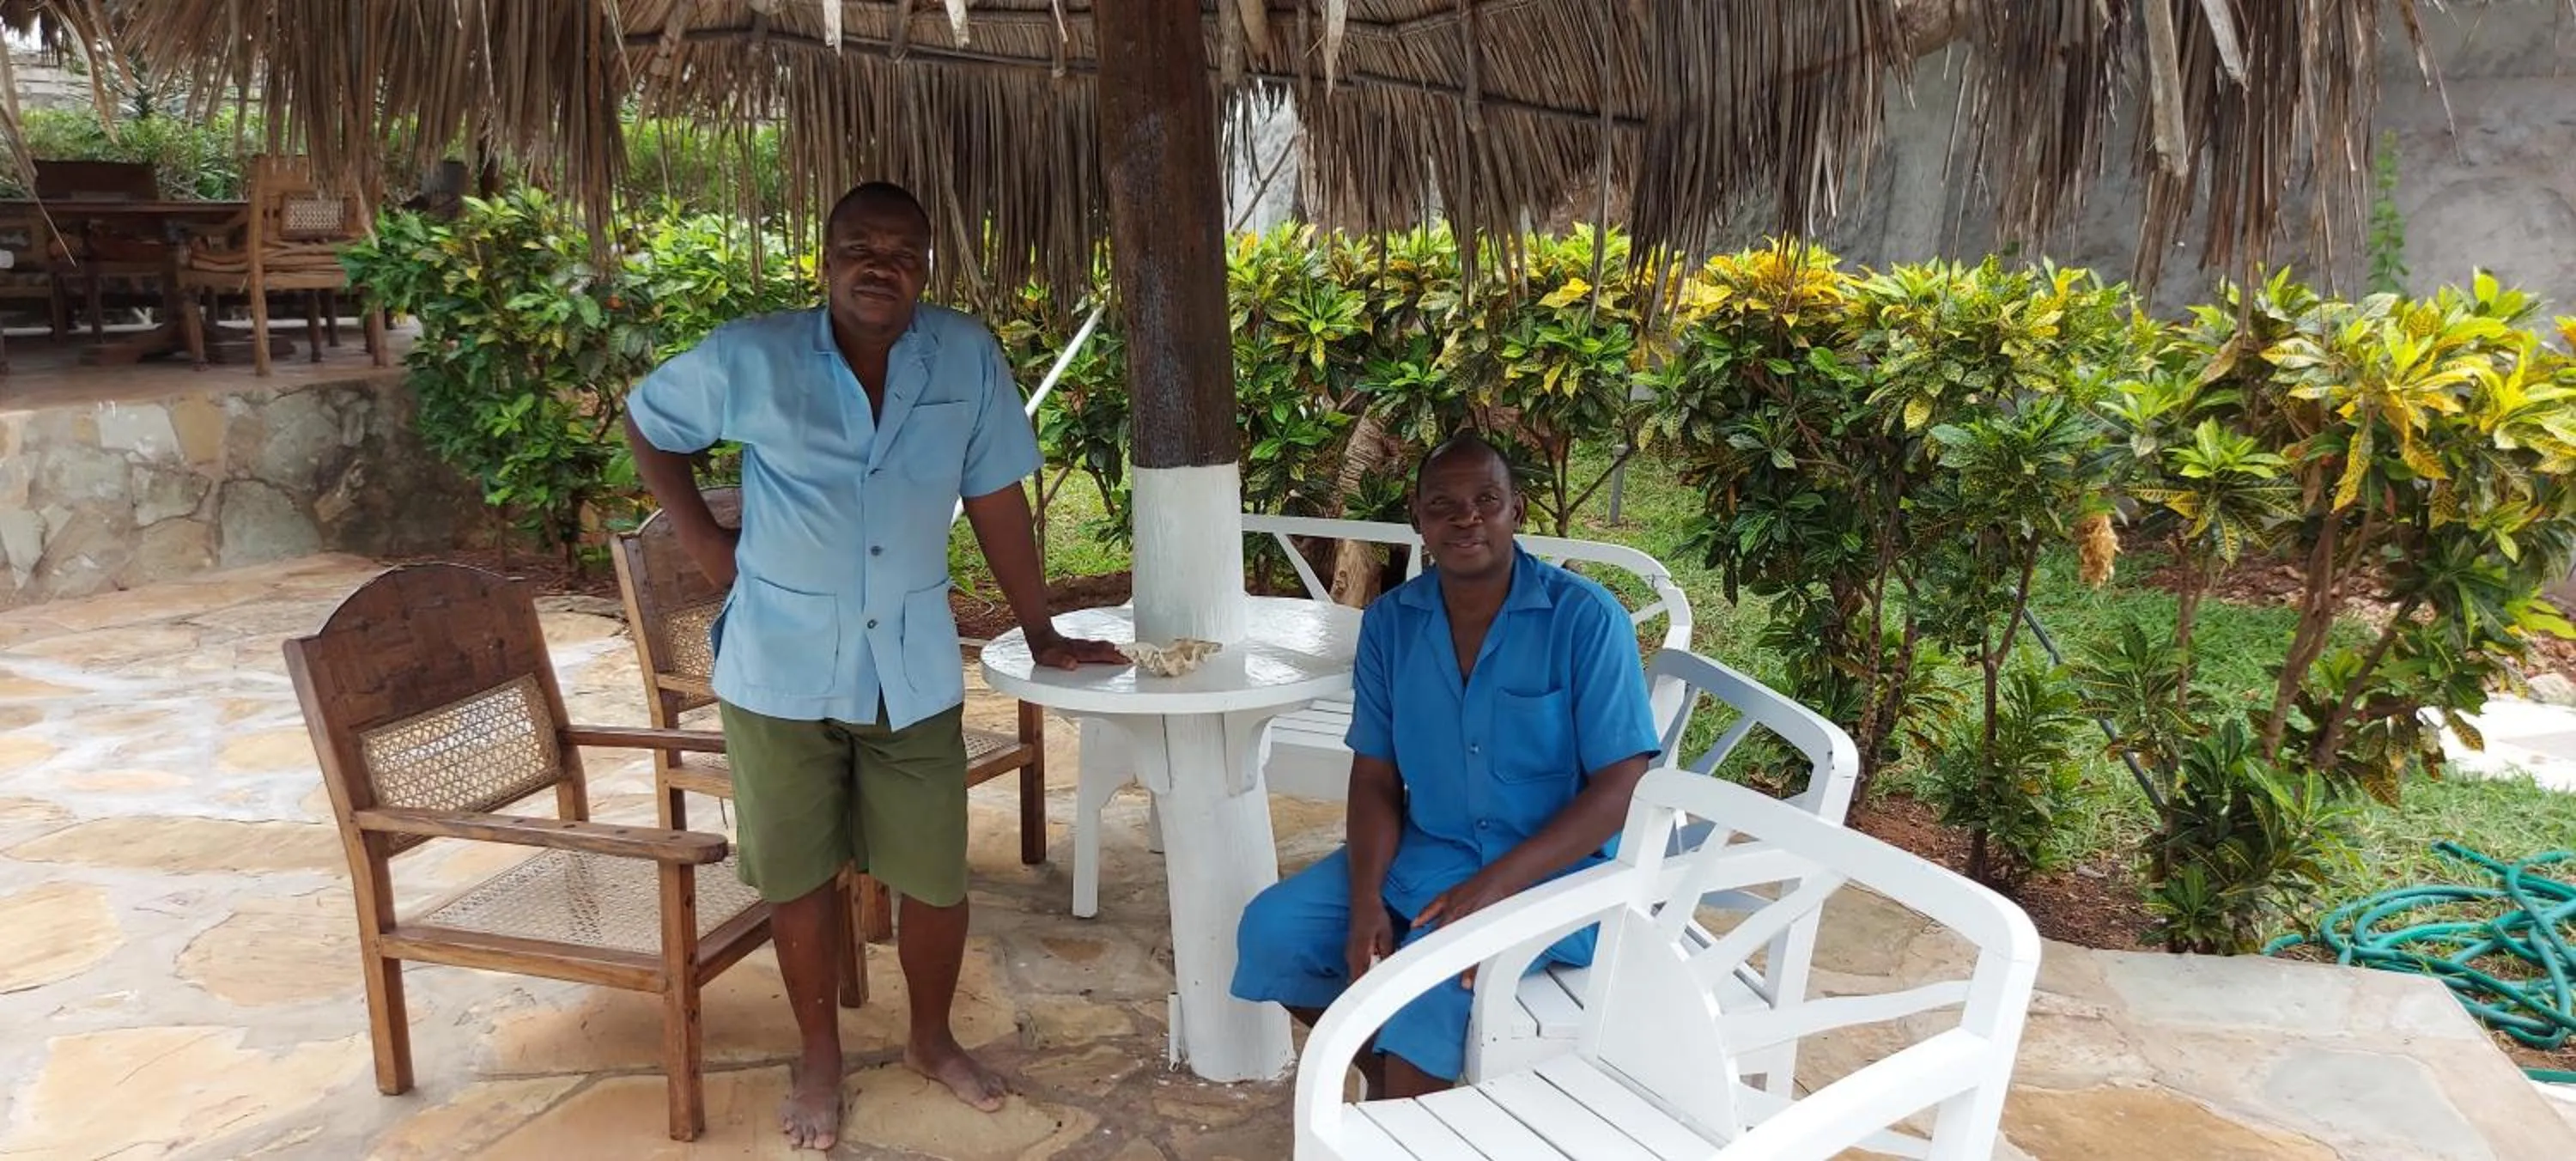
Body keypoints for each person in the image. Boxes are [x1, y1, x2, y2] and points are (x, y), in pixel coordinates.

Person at [622, 181, 1123, 1151]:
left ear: (927, 265)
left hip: (910, 661)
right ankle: (818, 1055)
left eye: (901, 250)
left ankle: (930, 1039)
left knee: (934, 873)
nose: (878, 265)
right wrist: (705, 546)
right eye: (859, 246)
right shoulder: (752, 355)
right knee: (799, 872)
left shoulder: (964, 355)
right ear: (824, 258)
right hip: (779, 662)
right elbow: (650, 422)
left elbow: (998, 499)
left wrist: (1042, 625)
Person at [1230, 432, 1662, 1097]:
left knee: (1422, 988)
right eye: (1443, 505)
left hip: (1558, 878)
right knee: (1274, 931)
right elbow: (1374, 774)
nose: (1466, 518)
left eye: (1486, 500)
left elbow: (1622, 784)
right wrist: (1368, 899)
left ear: (1517, 510)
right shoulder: (1391, 624)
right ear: (1419, 521)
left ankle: (1409, 1112)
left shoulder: (1584, 620)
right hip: (1425, 859)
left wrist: (1496, 888)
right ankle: (1395, 1090)